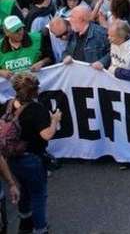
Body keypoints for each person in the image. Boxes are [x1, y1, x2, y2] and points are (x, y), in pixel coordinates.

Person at [5, 73, 59, 234]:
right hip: (32, 159)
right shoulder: (36, 109)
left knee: (24, 189)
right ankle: (40, 228)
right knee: (38, 195)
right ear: (35, 90)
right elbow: (47, 134)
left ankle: (25, 222)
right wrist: (55, 119)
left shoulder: (7, 105)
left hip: (12, 158)